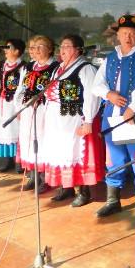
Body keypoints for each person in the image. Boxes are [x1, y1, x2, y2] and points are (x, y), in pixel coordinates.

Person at [92, 14, 135, 227]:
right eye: (124, 33)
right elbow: (97, 84)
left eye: (132, 33)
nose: (127, 37)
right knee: (114, 160)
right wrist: (108, 94)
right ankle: (113, 200)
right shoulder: (109, 59)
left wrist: (133, 107)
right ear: (118, 36)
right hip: (111, 117)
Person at [38, 34, 102, 207]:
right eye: (62, 46)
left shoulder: (85, 69)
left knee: (76, 154)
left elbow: (92, 96)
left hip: (74, 119)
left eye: (67, 46)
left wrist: (88, 120)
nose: (63, 50)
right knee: (61, 153)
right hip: (57, 121)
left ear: (78, 50)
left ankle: (84, 192)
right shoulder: (58, 69)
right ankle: (66, 187)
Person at [14, 35, 58, 191]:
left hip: (44, 111)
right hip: (27, 110)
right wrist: (18, 108)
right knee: (28, 141)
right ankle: (33, 176)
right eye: (33, 47)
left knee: (43, 141)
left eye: (40, 46)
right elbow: (20, 89)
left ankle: (45, 179)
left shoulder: (55, 68)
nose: (36, 50)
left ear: (50, 49)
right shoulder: (28, 67)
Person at [0, 38, 26, 173]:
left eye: (8, 47)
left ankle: (19, 162)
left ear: (17, 51)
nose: (5, 50)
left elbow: (23, 87)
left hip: (14, 105)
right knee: (4, 131)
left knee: (15, 131)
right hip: (1, 104)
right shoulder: (1, 66)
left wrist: (19, 107)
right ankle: (8, 161)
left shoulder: (24, 67)